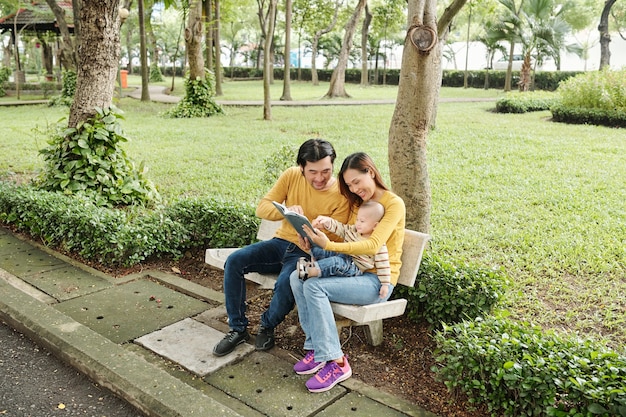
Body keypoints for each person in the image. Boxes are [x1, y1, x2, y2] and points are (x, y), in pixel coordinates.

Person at [213, 139, 351, 357]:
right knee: (235, 261)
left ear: (333, 165)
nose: (319, 178)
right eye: (312, 172)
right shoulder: (291, 176)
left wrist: (315, 232)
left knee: (287, 282)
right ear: (301, 168)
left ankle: (266, 325)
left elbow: (335, 239)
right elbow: (263, 207)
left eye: (326, 171)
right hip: (279, 244)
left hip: (307, 252)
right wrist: (285, 211)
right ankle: (237, 329)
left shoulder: (341, 194)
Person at [289, 152, 406, 393]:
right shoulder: (359, 204)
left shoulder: (393, 204)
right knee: (297, 275)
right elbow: (348, 234)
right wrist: (312, 239)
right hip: (352, 270)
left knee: (314, 285)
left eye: (356, 182)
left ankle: (338, 362)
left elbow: (373, 245)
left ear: (370, 172)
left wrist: (328, 246)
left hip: (377, 282)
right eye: (349, 184)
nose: (354, 189)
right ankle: (317, 349)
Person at [296, 201, 392, 300]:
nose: (358, 223)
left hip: (354, 267)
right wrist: (328, 223)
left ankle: (309, 272)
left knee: (336, 262)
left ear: (375, 225)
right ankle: (315, 262)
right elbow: (341, 228)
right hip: (342, 256)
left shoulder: (377, 244)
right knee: (321, 248)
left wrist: (385, 284)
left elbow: (384, 264)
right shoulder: (354, 230)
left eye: (362, 221)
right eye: (357, 220)